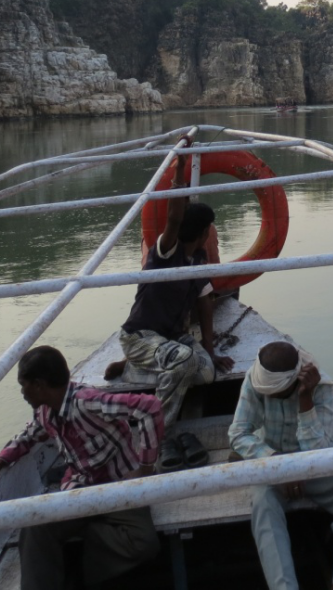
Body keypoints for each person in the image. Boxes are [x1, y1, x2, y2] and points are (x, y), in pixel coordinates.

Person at [0, 345, 162, 590]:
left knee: (144, 543)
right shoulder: (45, 412)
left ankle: (80, 563)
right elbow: (26, 438)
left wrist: (145, 466)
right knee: (35, 527)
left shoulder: (87, 402)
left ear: (39, 385)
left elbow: (149, 407)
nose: (22, 393)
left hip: (119, 486)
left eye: (23, 385)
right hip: (81, 488)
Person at [229, 340, 333, 590]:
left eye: (276, 393)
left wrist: (305, 402)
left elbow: (323, 453)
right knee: (263, 503)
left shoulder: (322, 387)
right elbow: (239, 434)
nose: (269, 396)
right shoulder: (255, 380)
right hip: (272, 466)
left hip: (313, 466)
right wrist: (279, 466)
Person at [105, 182, 234, 465]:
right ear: (203, 233)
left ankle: (132, 368)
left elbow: (205, 303)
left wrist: (210, 351)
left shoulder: (197, 259)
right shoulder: (165, 253)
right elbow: (174, 217)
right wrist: (178, 172)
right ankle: (161, 436)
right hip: (140, 336)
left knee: (206, 372)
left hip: (173, 339)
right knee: (184, 360)